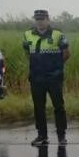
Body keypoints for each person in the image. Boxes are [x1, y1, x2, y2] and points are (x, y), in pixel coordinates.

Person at [23, 9, 70, 147]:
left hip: (54, 77)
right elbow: (27, 53)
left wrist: (55, 67)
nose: (40, 22)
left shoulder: (57, 35)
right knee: (39, 107)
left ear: (48, 19)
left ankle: (62, 136)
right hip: (36, 77)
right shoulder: (27, 34)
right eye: (37, 19)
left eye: (43, 19)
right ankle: (42, 135)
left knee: (58, 107)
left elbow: (67, 54)